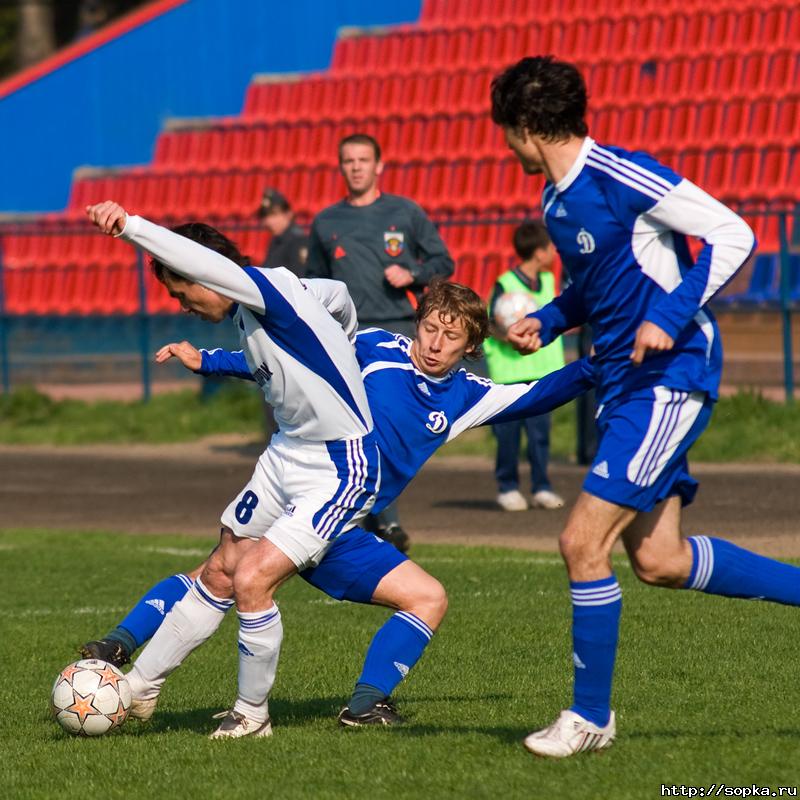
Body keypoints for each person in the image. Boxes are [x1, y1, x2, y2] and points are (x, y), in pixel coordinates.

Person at [82, 280, 596, 728]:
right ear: (417, 324)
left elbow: (537, 394)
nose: (435, 344)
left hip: (345, 530)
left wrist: (598, 366)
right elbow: (293, 362)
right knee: (221, 573)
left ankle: (365, 705)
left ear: (470, 346)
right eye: (430, 329)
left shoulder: (465, 395)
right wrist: (212, 361)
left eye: (451, 336)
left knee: (428, 598)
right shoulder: (373, 346)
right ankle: (122, 648)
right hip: (307, 497)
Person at [491, 55, 800, 759]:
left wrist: (672, 311)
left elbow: (735, 232)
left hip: (671, 375)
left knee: (580, 542)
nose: (504, 146)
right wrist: (552, 315)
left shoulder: (622, 176)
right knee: (658, 559)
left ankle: (590, 717)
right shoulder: (555, 202)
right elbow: (593, 288)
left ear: (529, 126)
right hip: (625, 384)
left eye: (506, 131)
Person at [85, 200, 381, 739]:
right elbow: (336, 299)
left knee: (252, 578)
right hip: (286, 453)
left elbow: (190, 258)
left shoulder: (261, 287)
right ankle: (141, 686)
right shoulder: (261, 304)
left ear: (205, 271)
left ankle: (252, 716)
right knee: (221, 569)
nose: (184, 306)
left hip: (338, 463)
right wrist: (213, 360)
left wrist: (130, 227)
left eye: (183, 292)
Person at [304, 133, 456, 553]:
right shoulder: (326, 222)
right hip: (344, 339)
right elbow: (311, 285)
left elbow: (443, 261)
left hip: (392, 333)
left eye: (363, 159)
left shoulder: (404, 212)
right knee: (348, 427)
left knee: (383, 425)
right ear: (341, 167)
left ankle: (379, 515)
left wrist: (412, 273)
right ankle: (370, 519)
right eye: (348, 160)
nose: (355, 167)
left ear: (379, 166)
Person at [484, 221, 566, 512]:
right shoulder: (505, 284)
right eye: (550, 247)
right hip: (509, 374)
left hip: (542, 372)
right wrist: (507, 335)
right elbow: (490, 324)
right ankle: (507, 487)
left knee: (539, 436)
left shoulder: (549, 283)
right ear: (539, 252)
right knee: (507, 435)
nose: (554, 252)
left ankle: (542, 486)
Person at [258, 187, 308, 276]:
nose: (268, 221)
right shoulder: (277, 240)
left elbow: (300, 278)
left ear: (288, 214)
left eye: (274, 215)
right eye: (265, 216)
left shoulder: (298, 240)